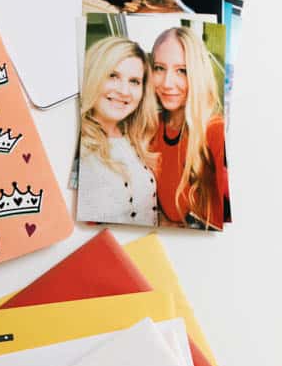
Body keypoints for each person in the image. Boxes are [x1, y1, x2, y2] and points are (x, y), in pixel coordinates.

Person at [150, 26, 229, 230]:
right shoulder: (152, 125)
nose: (167, 83)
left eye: (182, 71)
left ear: (197, 74)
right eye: (159, 68)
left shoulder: (215, 130)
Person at [77, 36, 158, 226]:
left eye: (134, 81)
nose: (124, 91)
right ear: (93, 76)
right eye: (113, 76)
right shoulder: (79, 145)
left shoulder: (135, 137)